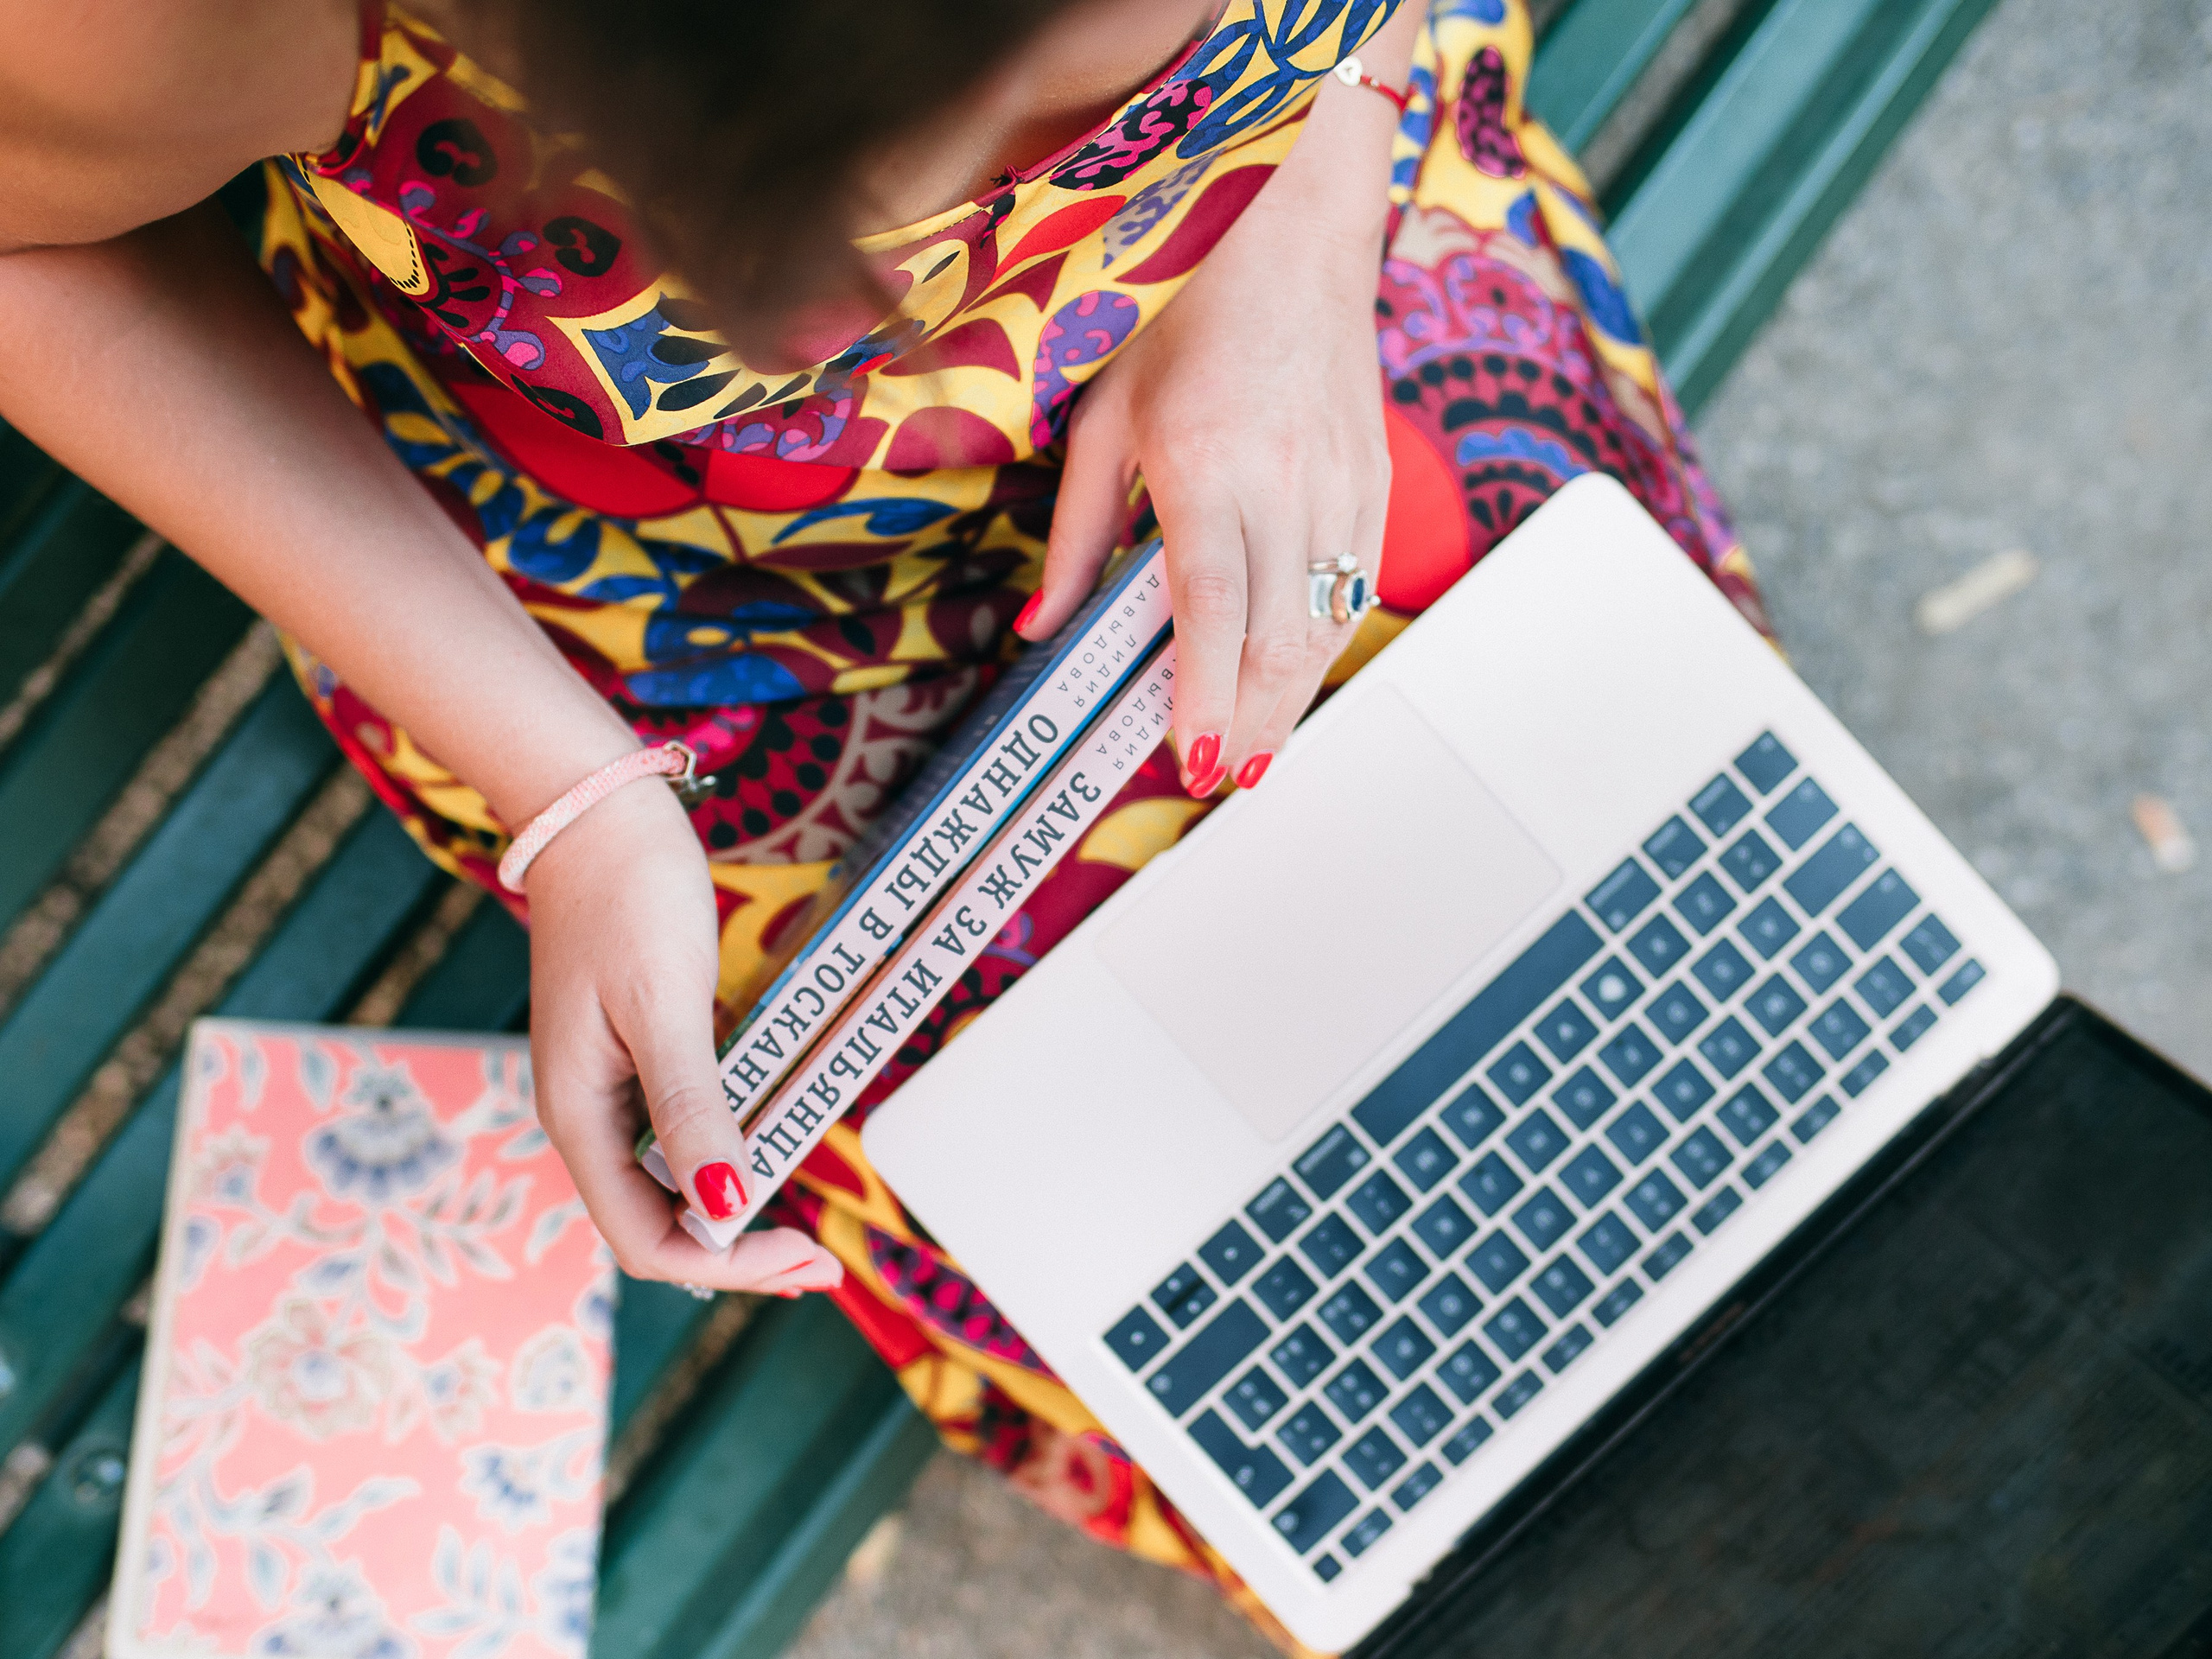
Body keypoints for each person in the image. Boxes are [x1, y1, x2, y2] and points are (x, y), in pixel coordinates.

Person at [0, 0, 1765, 1646]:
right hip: (700, 620)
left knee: (1704, 980)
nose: (1069, 185)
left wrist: (1288, 190)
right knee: (1236, 1326)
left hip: (1318, 278)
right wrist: (577, 798)